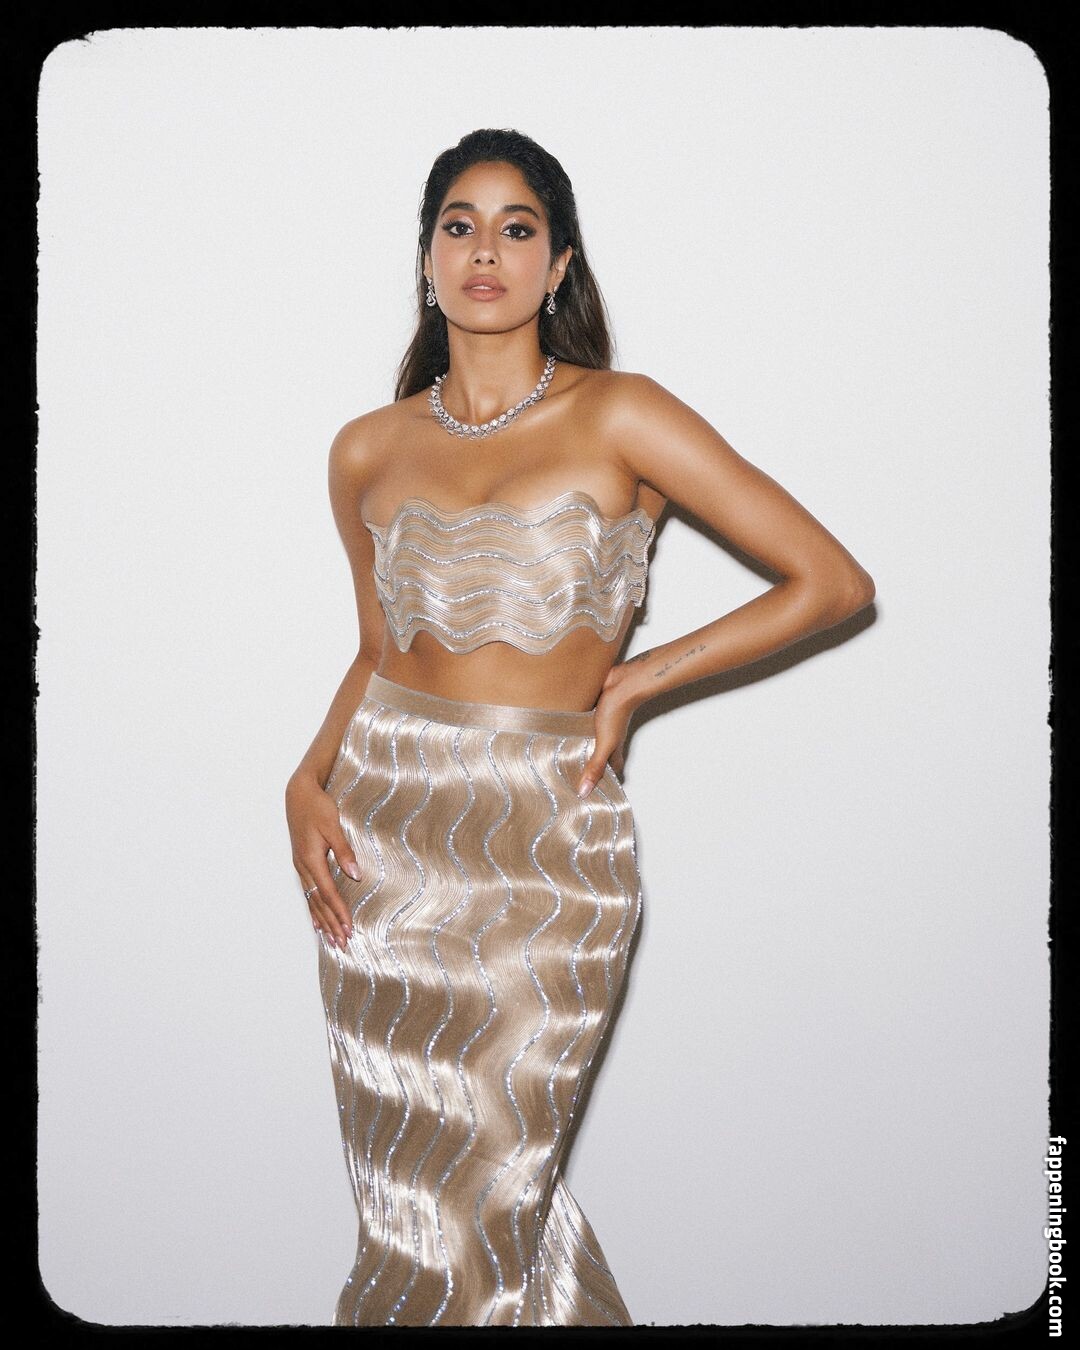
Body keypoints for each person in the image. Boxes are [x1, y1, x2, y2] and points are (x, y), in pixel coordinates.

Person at [285, 127, 875, 1328]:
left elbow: (831, 582)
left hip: (548, 848)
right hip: (382, 837)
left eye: (517, 229)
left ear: (557, 266)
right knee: (414, 1212)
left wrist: (639, 679)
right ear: (427, 257)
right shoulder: (366, 449)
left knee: (485, 1203)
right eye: (459, 226)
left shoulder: (624, 416)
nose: (484, 251)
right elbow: (380, 651)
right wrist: (306, 779)